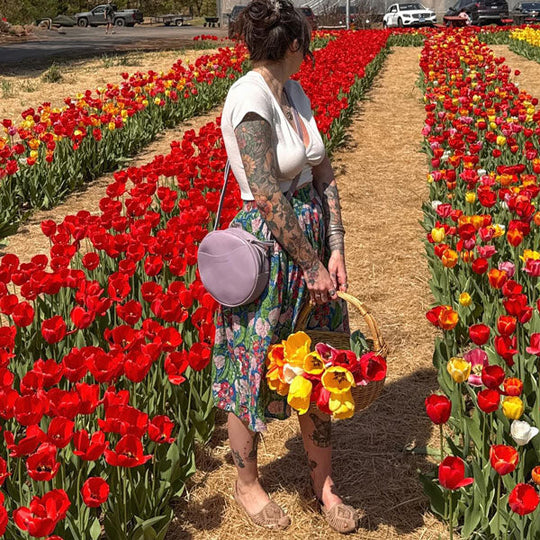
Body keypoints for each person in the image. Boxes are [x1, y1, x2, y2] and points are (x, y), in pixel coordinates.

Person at [212, 0, 356, 533]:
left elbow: (324, 171)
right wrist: (312, 264)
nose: (310, 52)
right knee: (252, 367)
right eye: (308, 43)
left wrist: (336, 247)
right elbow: (269, 195)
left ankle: (324, 485)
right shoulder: (249, 100)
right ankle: (247, 482)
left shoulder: (293, 92)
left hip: (314, 246)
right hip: (272, 256)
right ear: (294, 45)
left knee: (322, 360)